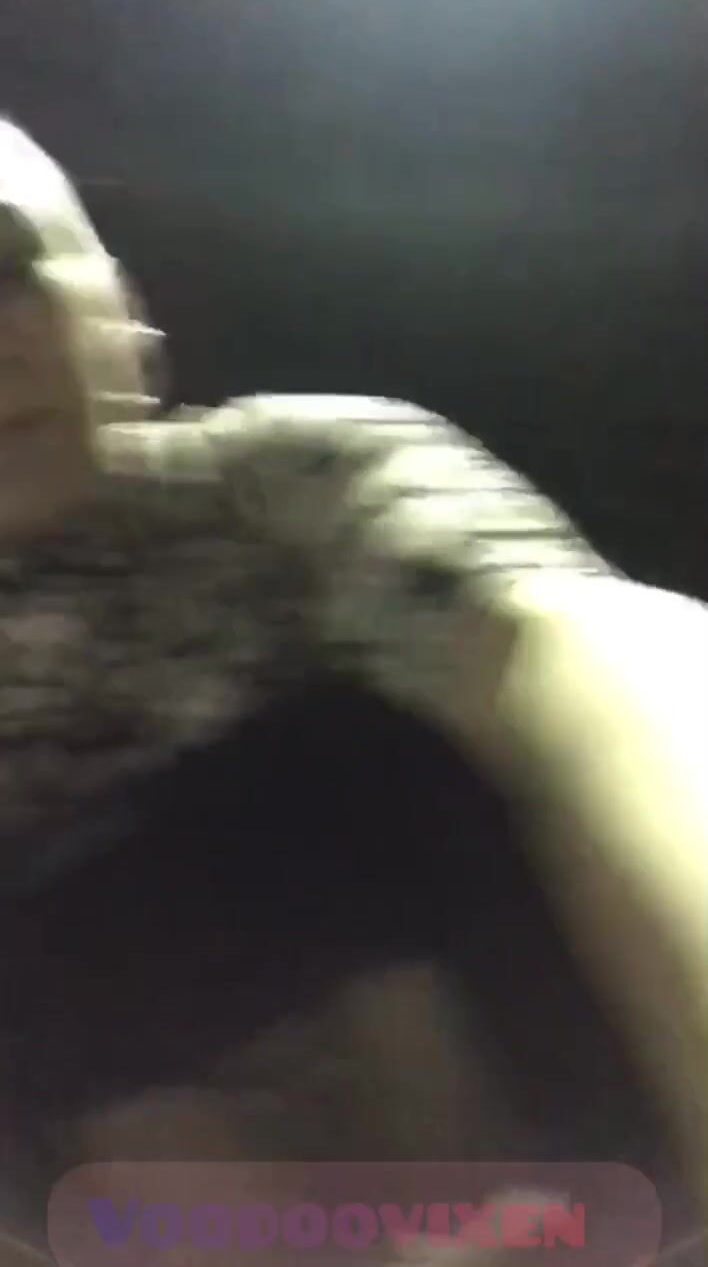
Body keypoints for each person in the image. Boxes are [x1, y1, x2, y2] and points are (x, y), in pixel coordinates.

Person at [0, 120, 705, 1264]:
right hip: (162, 1197)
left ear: (122, 314)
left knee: (456, 719)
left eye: (5, 266)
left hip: (558, 1132)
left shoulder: (279, 481)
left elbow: (577, 651)